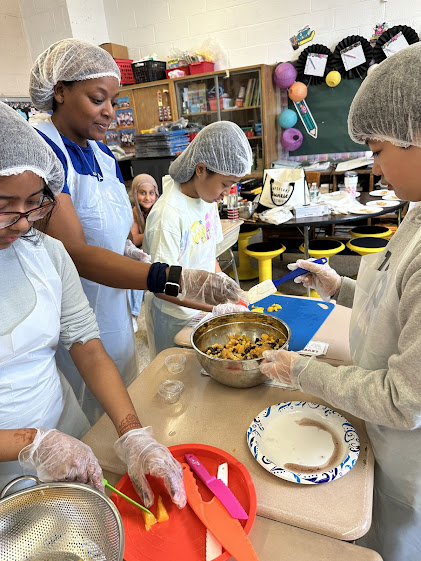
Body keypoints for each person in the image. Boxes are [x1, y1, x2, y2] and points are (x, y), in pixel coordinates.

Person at [259, 42, 421, 561]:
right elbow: (396, 306)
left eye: (376, 151)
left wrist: (300, 372)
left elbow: (403, 400)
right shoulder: (415, 210)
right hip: (383, 434)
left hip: (408, 460)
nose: (374, 167)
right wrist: (340, 287)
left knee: (394, 542)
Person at [28, 39, 245, 424]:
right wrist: (168, 276)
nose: (110, 112)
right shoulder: (41, 152)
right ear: (59, 90)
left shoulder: (102, 154)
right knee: (87, 417)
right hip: (71, 316)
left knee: (126, 397)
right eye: (98, 99)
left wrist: (129, 250)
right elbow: (75, 253)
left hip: (115, 306)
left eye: (114, 100)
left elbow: (109, 229)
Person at [0, 101, 185, 509]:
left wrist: (133, 432)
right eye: (3, 206)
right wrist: (31, 442)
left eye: (34, 202)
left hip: (68, 435)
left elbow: (86, 344)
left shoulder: (45, 252)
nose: (23, 222)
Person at [143, 121, 251, 357]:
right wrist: (215, 307)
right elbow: (161, 285)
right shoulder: (168, 215)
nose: (226, 193)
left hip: (202, 311)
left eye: (232, 185)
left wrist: (223, 283)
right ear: (200, 169)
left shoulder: (207, 199)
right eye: (225, 184)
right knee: (175, 377)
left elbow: (207, 253)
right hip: (175, 316)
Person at [129, 174, 160, 331]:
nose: (148, 197)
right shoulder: (134, 213)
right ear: (135, 193)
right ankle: (134, 315)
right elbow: (134, 239)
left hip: (159, 252)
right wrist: (152, 232)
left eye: (151, 193)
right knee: (138, 267)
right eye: (142, 192)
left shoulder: (160, 210)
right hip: (143, 255)